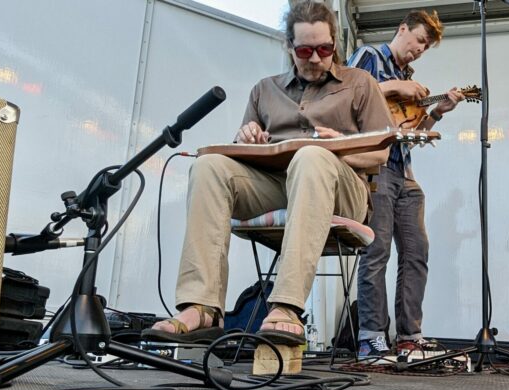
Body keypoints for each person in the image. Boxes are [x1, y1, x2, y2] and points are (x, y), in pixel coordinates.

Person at [143, 1, 394, 345]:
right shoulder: (264, 90)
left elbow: (382, 151)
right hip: (279, 182)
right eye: (306, 50)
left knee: (312, 157)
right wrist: (247, 137)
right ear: (289, 47)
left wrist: (343, 144)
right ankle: (201, 307)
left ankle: (286, 306)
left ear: (335, 44)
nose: (317, 59)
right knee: (208, 166)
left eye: (325, 49)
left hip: (342, 189)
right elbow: (244, 151)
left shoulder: (361, 83)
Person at [346, 10, 465, 357]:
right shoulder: (370, 56)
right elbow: (347, 95)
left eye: (426, 48)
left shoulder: (408, 78)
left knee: (416, 251)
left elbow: (412, 135)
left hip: (403, 169)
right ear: (402, 29)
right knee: (377, 250)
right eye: (419, 41)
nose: (420, 51)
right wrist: (396, 86)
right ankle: (371, 334)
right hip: (374, 168)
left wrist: (437, 111)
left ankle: (409, 335)